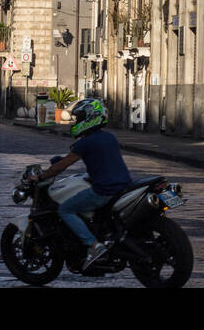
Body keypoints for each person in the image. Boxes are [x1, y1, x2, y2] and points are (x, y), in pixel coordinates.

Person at [32, 98, 131, 269]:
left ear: (89, 118)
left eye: (79, 118)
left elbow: (62, 166)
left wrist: (42, 177)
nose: (76, 122)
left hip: (104, 191)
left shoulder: (85, 143)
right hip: (123, 188)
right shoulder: (110, 137)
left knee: (65, 209)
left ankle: (94, 246)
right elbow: (104, 162)